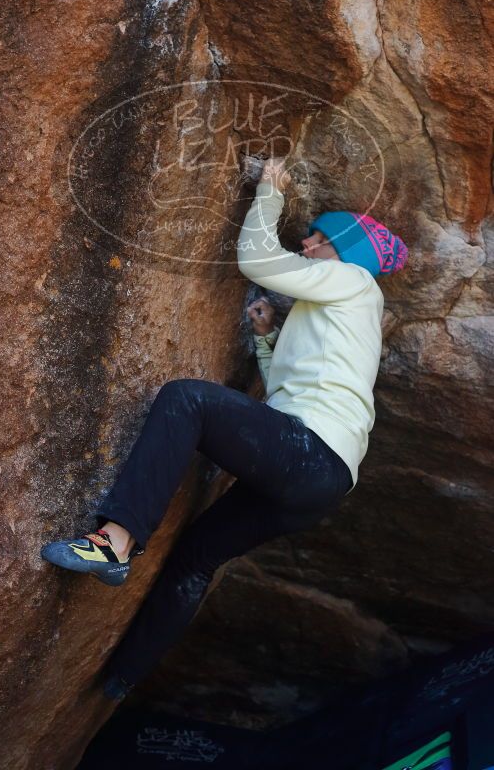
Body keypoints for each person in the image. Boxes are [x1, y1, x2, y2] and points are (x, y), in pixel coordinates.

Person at [41, 157, 408, 701]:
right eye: (308, 237)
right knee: (196, 558)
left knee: (187, 399)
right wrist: (265, 338)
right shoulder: (343, 307)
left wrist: (270, 193)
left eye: (319, 239)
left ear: (347, 253)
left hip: (309, 454)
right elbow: (289, 393)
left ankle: (114, 543)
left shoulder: (352, 279)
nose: (307, 245)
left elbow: (257, 258)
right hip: (320, 480)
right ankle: (124, 678)